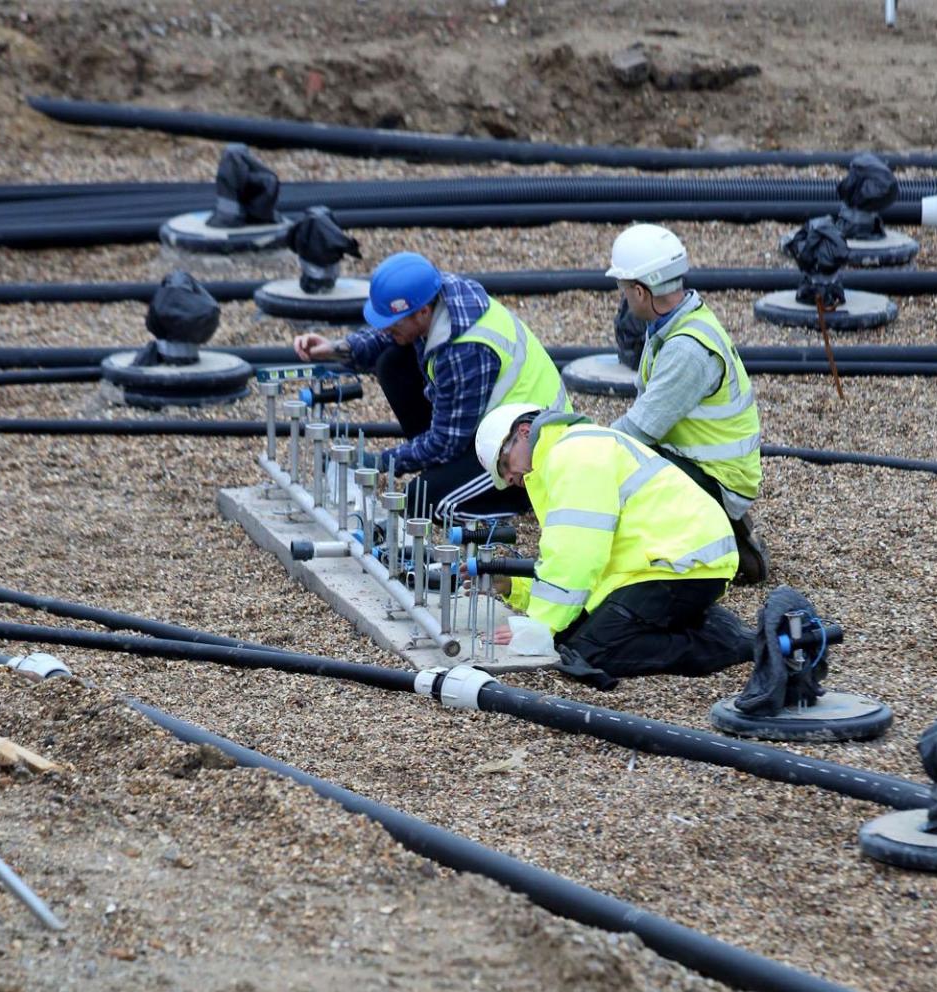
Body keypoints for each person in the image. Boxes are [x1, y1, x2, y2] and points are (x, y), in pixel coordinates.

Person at [473, 402, 755, 689]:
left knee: (592, 652)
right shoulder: (569, 450)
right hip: (666, 561)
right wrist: (512, 586)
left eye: (504, 464)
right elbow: (569, 565)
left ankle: (739, 644)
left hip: (677, 564)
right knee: (570, 636)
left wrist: (537, 626)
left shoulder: (573, 455)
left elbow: (578, 556)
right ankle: (704, 623)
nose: (508, 478)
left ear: (523, 432)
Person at [294, 251, 566, 518]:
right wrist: (335, 349)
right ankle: (448, 473)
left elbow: (446, 441)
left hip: (525, 454)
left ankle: (519, 498)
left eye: (392, 323)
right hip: (490, 429)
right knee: (392, 361)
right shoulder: (436, 296)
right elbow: (384, 339)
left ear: (422, 312)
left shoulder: (465, 350)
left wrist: (382, 463)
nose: (387, 329)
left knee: (422, 502)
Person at [605, 225, 769, 584]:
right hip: (699, 463)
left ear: (640, 291)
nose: (622, 299)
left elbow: (637, 431)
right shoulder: (671, 326)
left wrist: (582, 446)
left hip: (717, 480)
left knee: (623, 472)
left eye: (623, 289)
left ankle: (726, 539)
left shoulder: (686, 350)